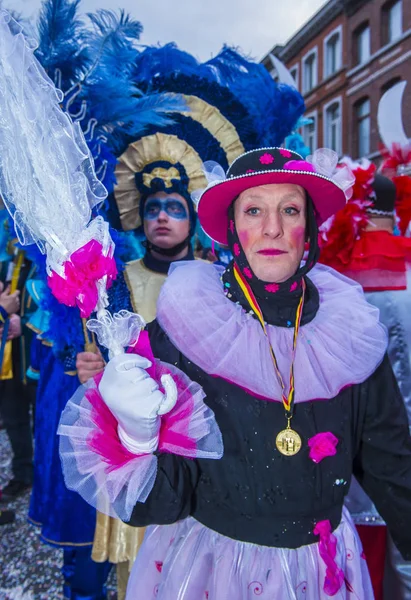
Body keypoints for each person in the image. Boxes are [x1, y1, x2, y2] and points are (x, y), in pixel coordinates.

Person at [60, 146, 411, 599]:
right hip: (213, 571)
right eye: (253, 210)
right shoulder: (184, 327)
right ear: (232, 227)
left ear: (309, 228)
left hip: (321, 570)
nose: (272, 228)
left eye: (289, 209)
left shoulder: (352, 329)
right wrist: (137, 434)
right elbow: (160, 502)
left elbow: (392, 465)